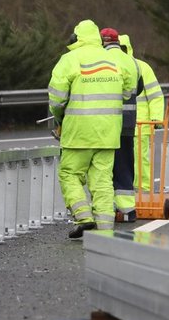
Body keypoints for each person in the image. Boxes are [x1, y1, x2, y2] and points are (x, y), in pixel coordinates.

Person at [49, 20, 138, 239]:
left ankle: (83, 216)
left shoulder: (69, 60)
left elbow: (57, 99)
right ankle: (106, 226)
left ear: (76, 38)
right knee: (103, 180)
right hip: (108, 132)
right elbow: (130, 89)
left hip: (78, 132)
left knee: (70, 174)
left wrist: (59, 120)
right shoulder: (116, 59)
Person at [102, 28, 143, 222]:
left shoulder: (102, 59)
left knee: (105, 167)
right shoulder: (132, 61)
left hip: (108, 122)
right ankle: (128, 211)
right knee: (125, 165)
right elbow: (139, 88)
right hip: (128, 122)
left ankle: (108, 209)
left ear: (103, 42)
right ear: (118, 42)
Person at [120, 34, 165, 209]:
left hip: (141, 125)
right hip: (117, 125)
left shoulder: (141, 67)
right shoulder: (109, 67)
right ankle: (124, 194)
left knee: (140, 161)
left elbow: (155, 95)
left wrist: (155, 119)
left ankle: (143, 193)